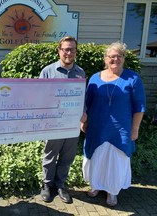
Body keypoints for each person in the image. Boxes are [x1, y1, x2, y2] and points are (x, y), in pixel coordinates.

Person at [81, 41, 146, 207]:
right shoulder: (95, 77)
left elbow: (139, 106)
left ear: (124, 58)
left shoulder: (133, 78)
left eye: (119, 56)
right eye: (111, 56)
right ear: (105, 58)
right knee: (96, 158)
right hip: (97, 127)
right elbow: (87, 102)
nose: (115, 59)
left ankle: (112, 191)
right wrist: (84, 121)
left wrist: (135, 129)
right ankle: (95, 186)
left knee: (116, 161)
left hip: (121, 129)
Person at [39, 36, 85, 203]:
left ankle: (60, 185)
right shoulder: (48, 71)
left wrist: (84, 113)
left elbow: (82, 98)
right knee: (50, 156)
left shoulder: (80, 73)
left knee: (67, 157)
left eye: (72, 49)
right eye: (65, 49)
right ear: (59, 50)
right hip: (53, 123)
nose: (68, 52)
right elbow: (38, 97)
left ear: (75, 52)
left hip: (72, 124)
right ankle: (46, 185)